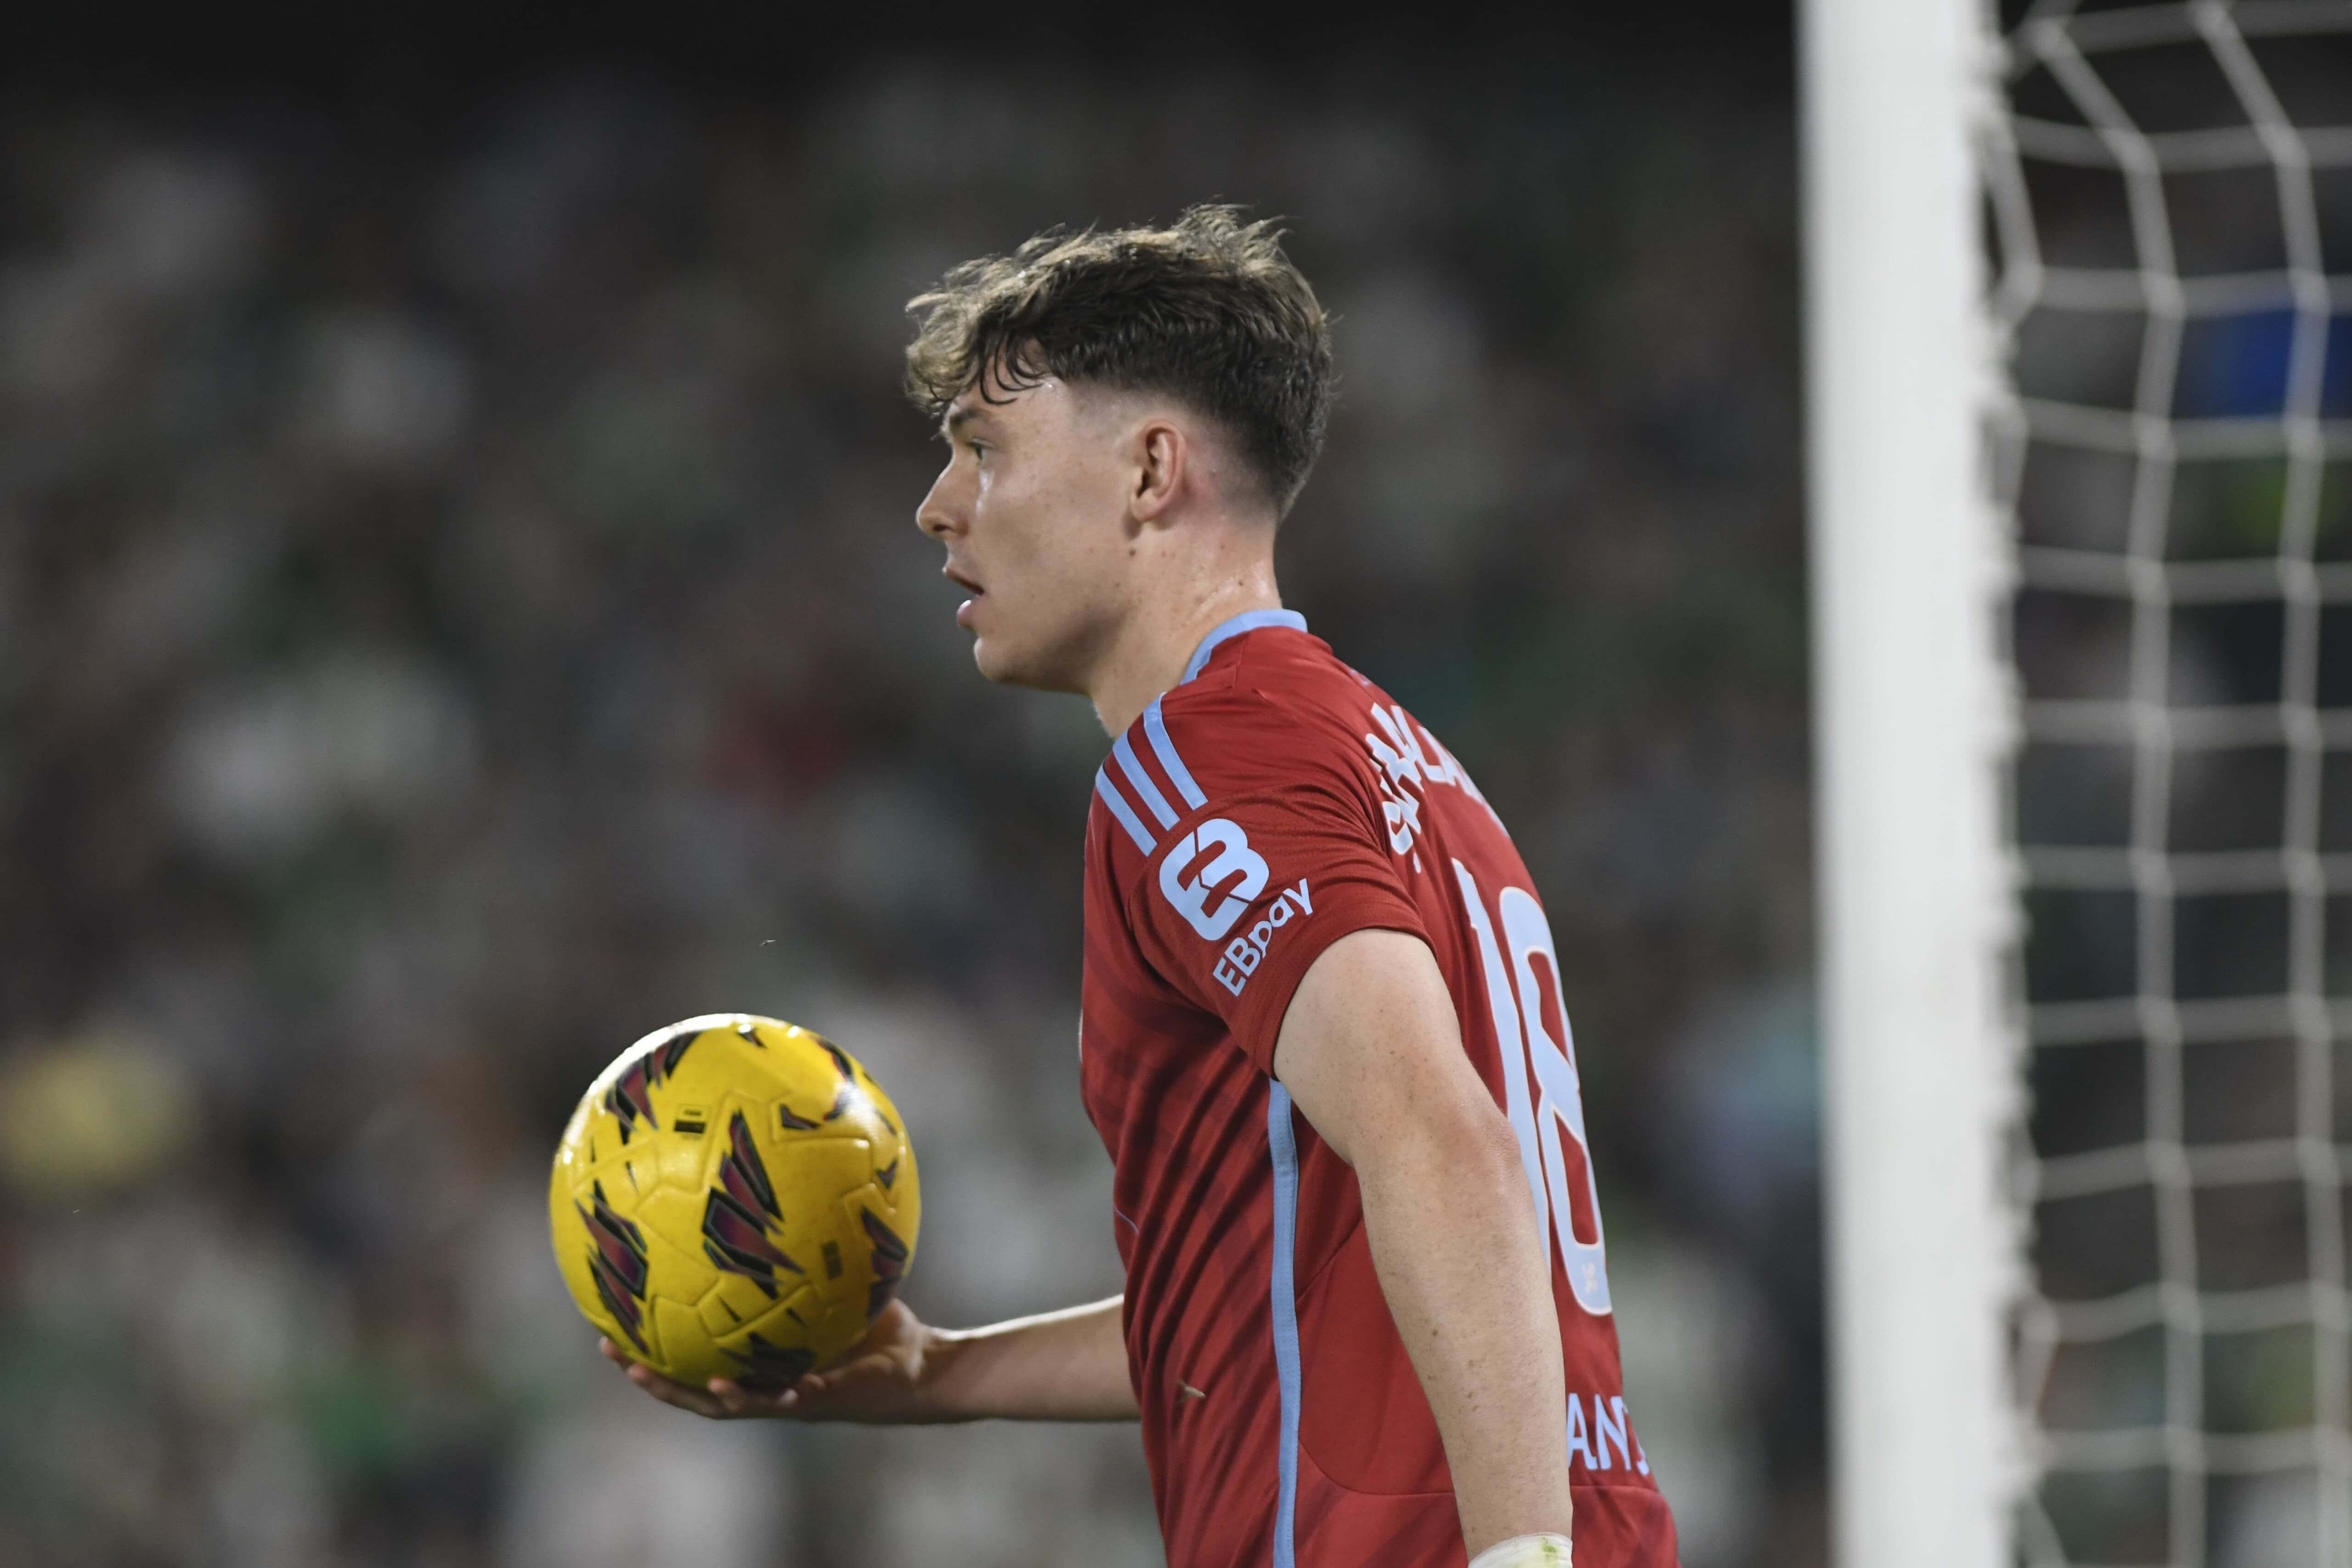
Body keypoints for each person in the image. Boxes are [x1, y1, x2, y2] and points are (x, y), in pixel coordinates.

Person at [602, 206, 1678, 1568]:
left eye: (986, 451)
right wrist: (937, 1373)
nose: (939, 505)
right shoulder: (1400, 762)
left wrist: (1521, 1558)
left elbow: (1440, 1144)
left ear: (1151, 470)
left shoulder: (1202, 759)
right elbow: (1282, 1303)